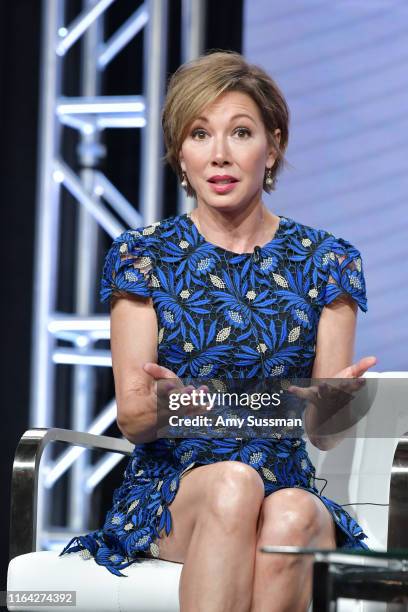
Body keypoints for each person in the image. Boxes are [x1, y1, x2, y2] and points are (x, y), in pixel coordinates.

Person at [60, 50, 377, 611]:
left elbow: (324, 432)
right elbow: (135, 419)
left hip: (283, 480)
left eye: (241, 132)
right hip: (176, 489)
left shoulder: (327, 261)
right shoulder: (145, 257)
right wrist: (173, 407)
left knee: (296, 510)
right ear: (181, 155)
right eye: (201, 134)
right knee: (234, 484)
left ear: (273, 145)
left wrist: (334, 403)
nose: (221, 155)